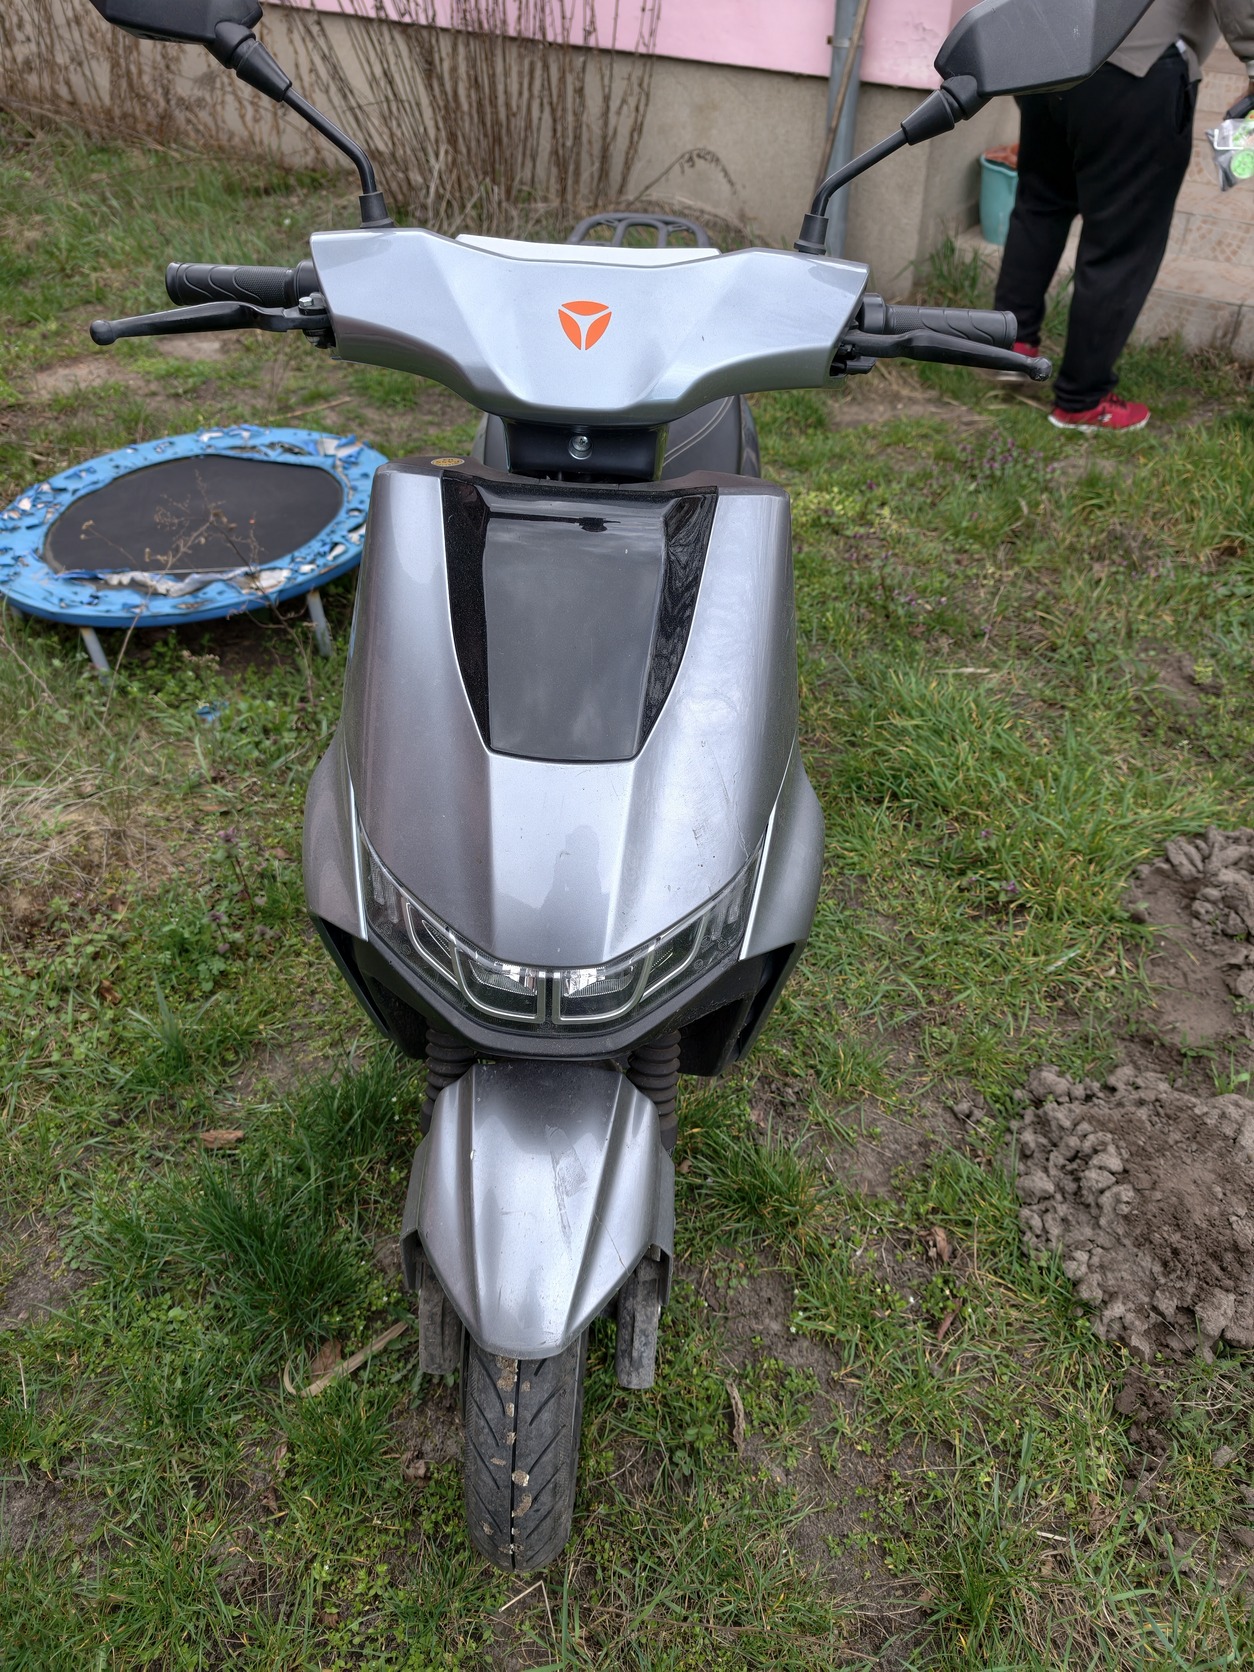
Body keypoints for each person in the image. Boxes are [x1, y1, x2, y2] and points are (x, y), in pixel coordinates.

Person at [993, 0, 1254, 432]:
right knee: (1122, 241)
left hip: (1049, 50)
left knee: (1041, 204)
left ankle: (1007, 345)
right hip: (1135, 65)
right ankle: (1082, 399)